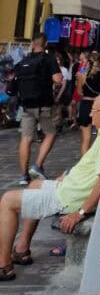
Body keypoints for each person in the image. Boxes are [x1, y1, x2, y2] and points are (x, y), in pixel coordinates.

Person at [0, 92, 100, 281]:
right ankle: (22, 248)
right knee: (35, 184)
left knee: (7, 200)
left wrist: (80, 213)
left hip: (69, 198)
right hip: (68, 189)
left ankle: (3, 264)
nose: (90, 115)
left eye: (94, 110)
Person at [10, 33, 63, 187]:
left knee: (26, 138)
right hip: (44, 104)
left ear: (33, 43)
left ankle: (23, 175)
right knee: (50, 133)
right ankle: (38, 165)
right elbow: (57, 79)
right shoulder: (49, 59)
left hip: (26, 105)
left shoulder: (23, 61)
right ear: (45, 43)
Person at [76, 52, 100, 156]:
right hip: (99, 106)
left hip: (85, 105)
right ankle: (98, 161)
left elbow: (79, 93)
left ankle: (84, 164)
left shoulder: (82, 76)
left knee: (85, 139)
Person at [70, 50, 89, 127]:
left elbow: (85, 74)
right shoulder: (80, 63)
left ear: (84, 55)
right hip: (77, 86)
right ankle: (75, 121)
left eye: (81, 53)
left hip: (83, 87)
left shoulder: (87, 64)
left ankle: (81, 121)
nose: (79, 55)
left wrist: (79, 75)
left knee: (81, 104)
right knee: (73, 104)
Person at [53, 51, 72, 129]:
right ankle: (58, 124)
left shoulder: (64, 70)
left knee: (58, 109)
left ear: (61, 60)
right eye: (56, 60)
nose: (57, 61)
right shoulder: (52, 69)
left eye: (58, 60)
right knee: (55, 110)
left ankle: (58, 125)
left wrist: (59, 95)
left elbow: (64, 85)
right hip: (53, 91)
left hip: (61, 92)